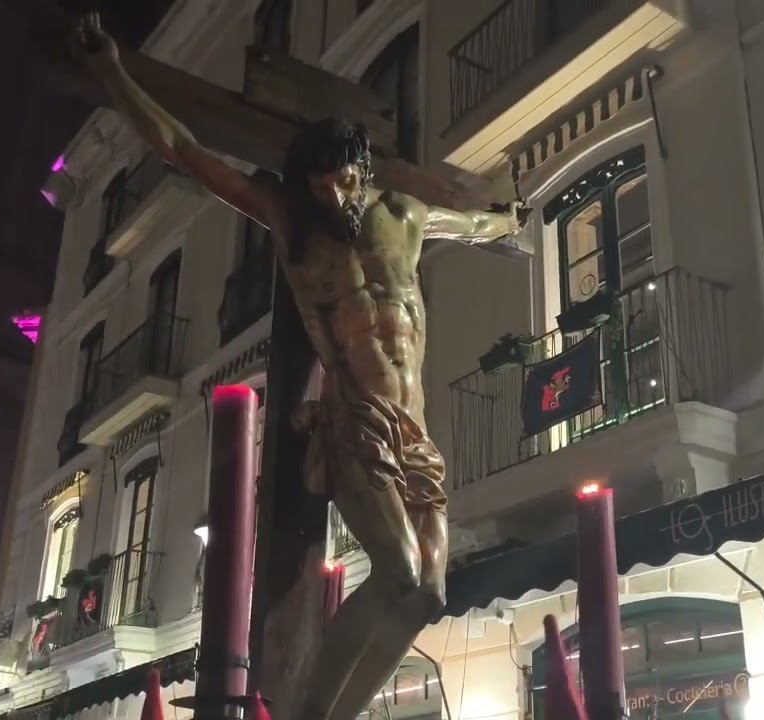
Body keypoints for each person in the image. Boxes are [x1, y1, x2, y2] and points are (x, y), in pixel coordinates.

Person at [70, 14, 528, 720]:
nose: (336, 199)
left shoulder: (404, 215)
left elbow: (474, 223)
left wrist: (506, 221)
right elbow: (182, 146)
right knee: (399, 571)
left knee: (430, 592)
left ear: (363, 171)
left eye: (345, 182)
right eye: (322, 187)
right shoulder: (291, 224)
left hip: (415, 431)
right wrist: (112, 69)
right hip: (355, 419)